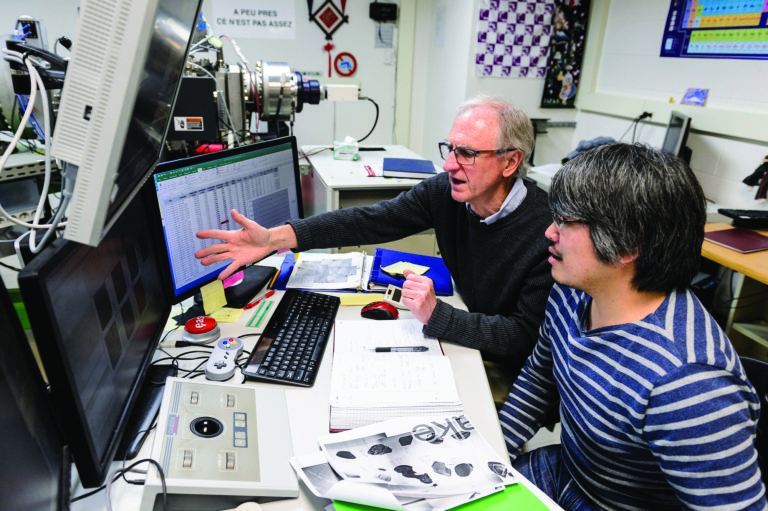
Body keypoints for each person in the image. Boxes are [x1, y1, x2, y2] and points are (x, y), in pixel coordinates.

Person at [195, 95, 554, 379]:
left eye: (467, 154)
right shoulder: (447, 192)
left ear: (510, 163)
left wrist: (438, 315)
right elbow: (368, 220)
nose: (448, 165)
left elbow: (524, 336)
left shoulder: (547, 232)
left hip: (509, 367)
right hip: (467, 334)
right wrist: (275, 239)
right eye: (450, 149)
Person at [499, 143, 767, 510]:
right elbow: (539, 378)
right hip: (573, 475)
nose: (549, 231)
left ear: (628, 243)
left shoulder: (688, 384)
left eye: (565, 221)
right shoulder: (572, 290)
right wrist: (492, 453)